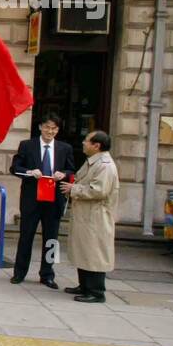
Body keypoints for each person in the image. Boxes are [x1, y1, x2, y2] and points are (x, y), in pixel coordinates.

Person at [10, 112, 76, 288]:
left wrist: (64, 174)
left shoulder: (65, 148)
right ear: (40, 127)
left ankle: (47, 274)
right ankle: (19, 272)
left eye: (54, 128)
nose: (50, 131)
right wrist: (31, 172)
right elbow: (15, 168)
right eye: (47, 127)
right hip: (32, 198)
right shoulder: (27, 145)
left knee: (52, 238)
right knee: (26, 236)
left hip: (54, 200)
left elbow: (72, 170)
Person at [60, 130, 120, 303]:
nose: (83, 143)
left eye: (87, 141)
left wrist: (74, 189)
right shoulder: (92, 162)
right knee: (84, 251)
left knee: (95, 253)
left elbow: (99, 190)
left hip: (97, 217)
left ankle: (96, 291)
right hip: (86, 216)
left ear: (96, 145)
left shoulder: (105, 165)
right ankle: (84, 285)